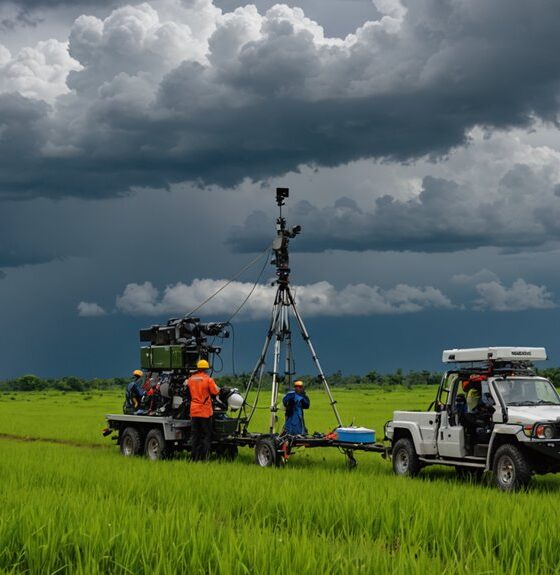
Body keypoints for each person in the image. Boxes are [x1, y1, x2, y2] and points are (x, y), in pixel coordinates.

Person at [186, 359, 220, 461]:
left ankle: (193, 458)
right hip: (205, 412)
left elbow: (188, 392)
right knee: (206, 435)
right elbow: (215, 392)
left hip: (194, 411)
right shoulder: (208, 379)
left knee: (195, 435)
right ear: (206, 369)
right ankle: (204, 458)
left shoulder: (191, 379)